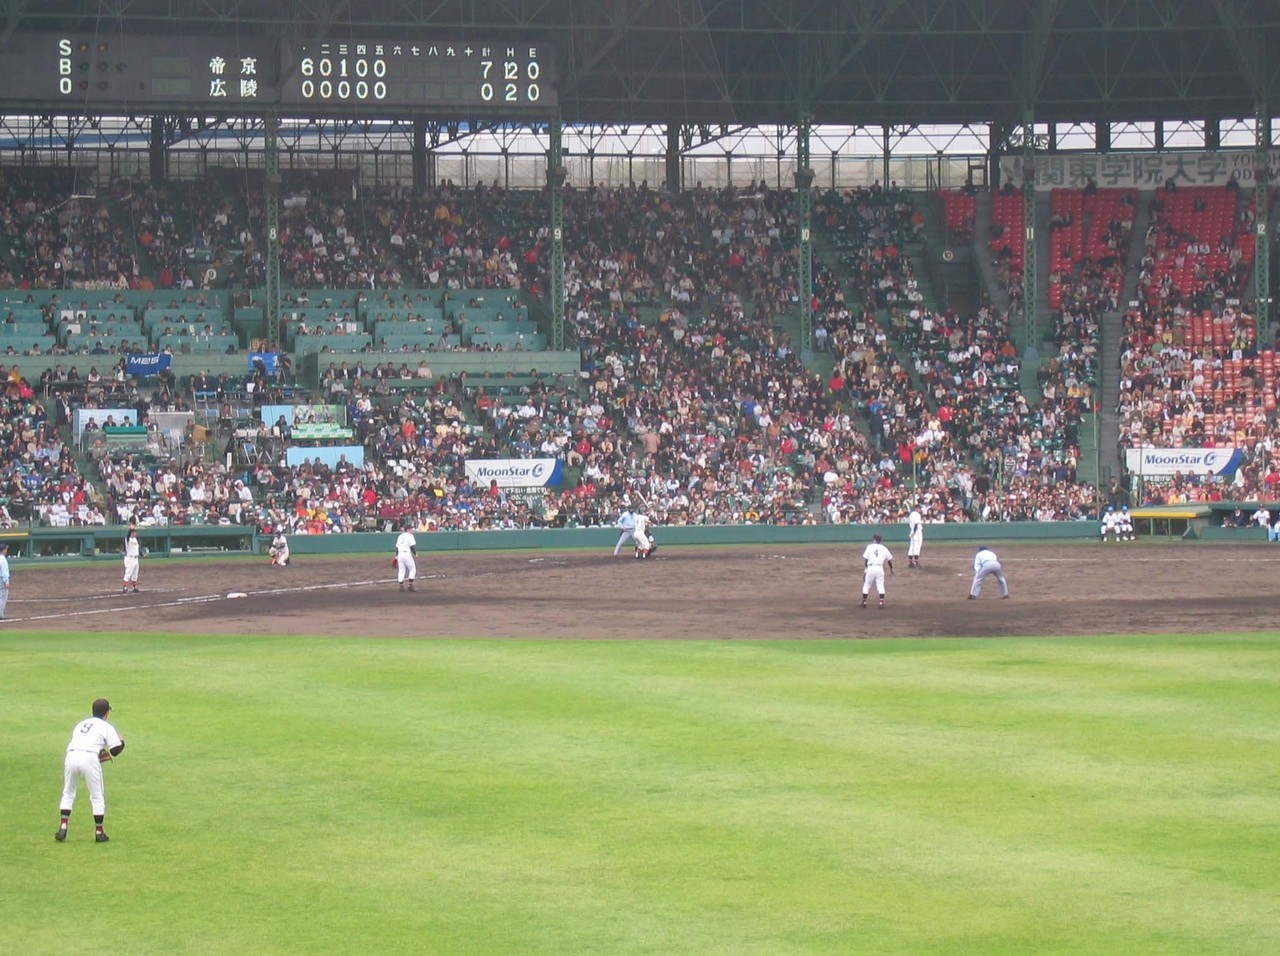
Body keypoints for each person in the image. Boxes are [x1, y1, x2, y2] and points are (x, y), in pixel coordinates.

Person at [56, 698, 125, 843]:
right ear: (106, 713)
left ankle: (63, 827)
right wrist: (122, 741)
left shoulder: (81, 724)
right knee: (97, 796)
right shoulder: (106, 727)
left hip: (71, 755)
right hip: (89, 758)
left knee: (68, 792)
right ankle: (99, 832)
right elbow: (115, 750)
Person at [860, 533, 894, 609]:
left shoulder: (869, 547)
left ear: (874, 540)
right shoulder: (884, 548)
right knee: (880, 585)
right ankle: (881, 602)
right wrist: (891, 569)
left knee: (867, 584)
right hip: (879, 568)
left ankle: (864, 601)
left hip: (871, 568)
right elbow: (889, 560)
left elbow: (866, 559)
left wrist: (866, 569)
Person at [394, 523, 417, 591]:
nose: (412, 530)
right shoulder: (410, 535)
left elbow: (397, 547)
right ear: (408, 529)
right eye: (411, 529)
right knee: (412, 569)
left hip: (400, 555)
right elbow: (411, 546)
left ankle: (401, 585)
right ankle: (410, 585)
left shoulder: (400, 536)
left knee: (401, 570)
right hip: (406, 554)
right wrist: (415, 554)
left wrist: (396, 556)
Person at [121, 525, 140, 593]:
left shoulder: (135, 539)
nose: (136, 533)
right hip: (129, 558)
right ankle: (125, 587)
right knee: (128, 572)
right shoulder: (127, 539)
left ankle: (135, 587)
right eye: (134, 532)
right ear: (132, 533)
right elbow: (128, 535)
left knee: (135, 573)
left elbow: (137, 549)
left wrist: (141, 554)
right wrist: (130, 529)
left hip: (135, 558)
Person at [0, 542, 9, 620]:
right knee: (3, 597)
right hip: (1, 581)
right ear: (3, 550)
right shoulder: (3, 560)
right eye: (6, 549)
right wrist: (6, 581)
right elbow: (4, 572)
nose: (6, 550)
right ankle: (0, 614)